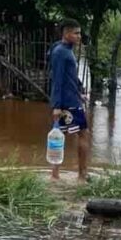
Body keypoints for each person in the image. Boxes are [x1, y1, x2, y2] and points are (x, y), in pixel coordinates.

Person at [48, 18, 90, 182]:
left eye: (80, 33)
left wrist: (79, 91)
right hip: (68, 102)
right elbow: (57, 79)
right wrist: (56, 106)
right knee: (83, 134)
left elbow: (70, 76)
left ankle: (55, 176)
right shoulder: (61, 52)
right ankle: (82, 175)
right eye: (76, 33)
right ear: (66, 34)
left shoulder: (63, 49)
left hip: (70, 98)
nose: (79, 36)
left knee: (59, 135)